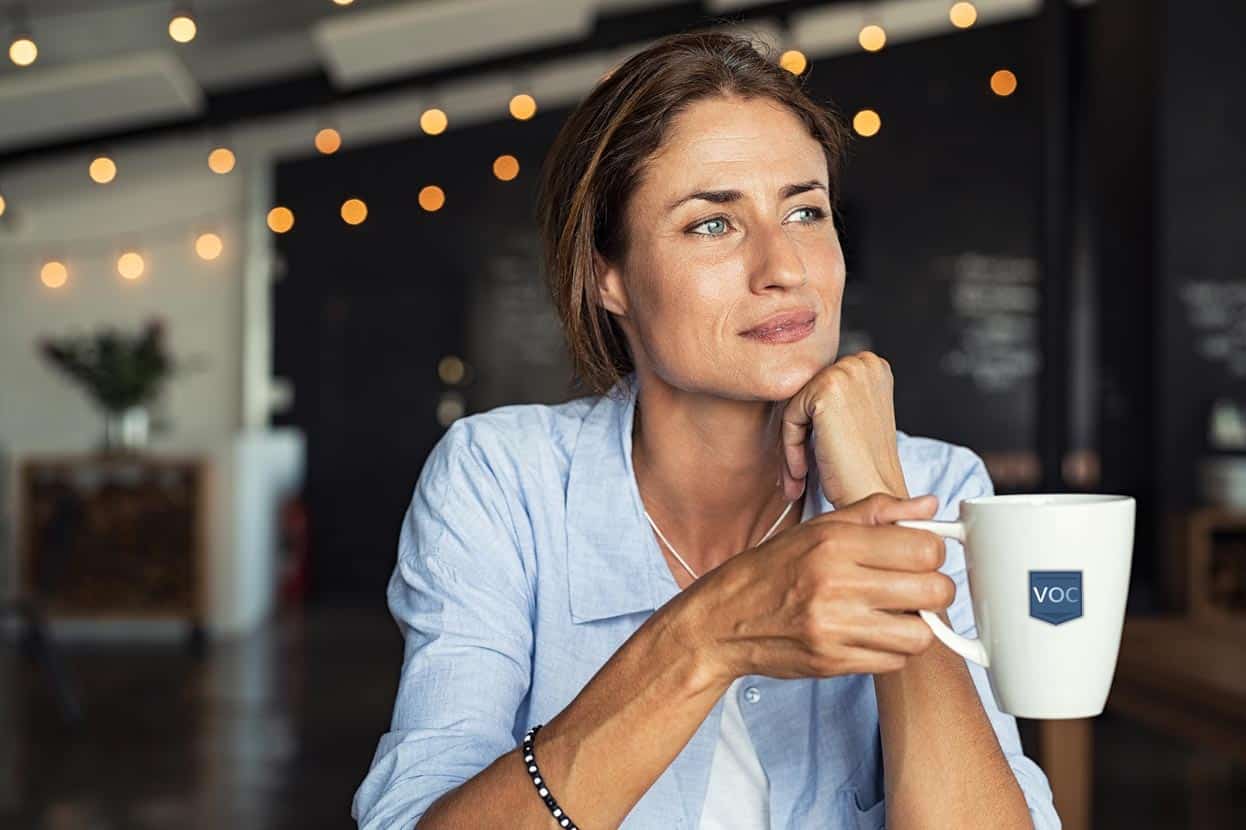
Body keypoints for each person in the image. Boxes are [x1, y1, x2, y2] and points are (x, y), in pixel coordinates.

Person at [352, 30, 1059, 830]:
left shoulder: (938, 488)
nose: (784, 267)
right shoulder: (501, 481)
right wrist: (710, 636)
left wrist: (875, 491)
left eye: (805, 210)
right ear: (605, 275)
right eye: (712, 225)